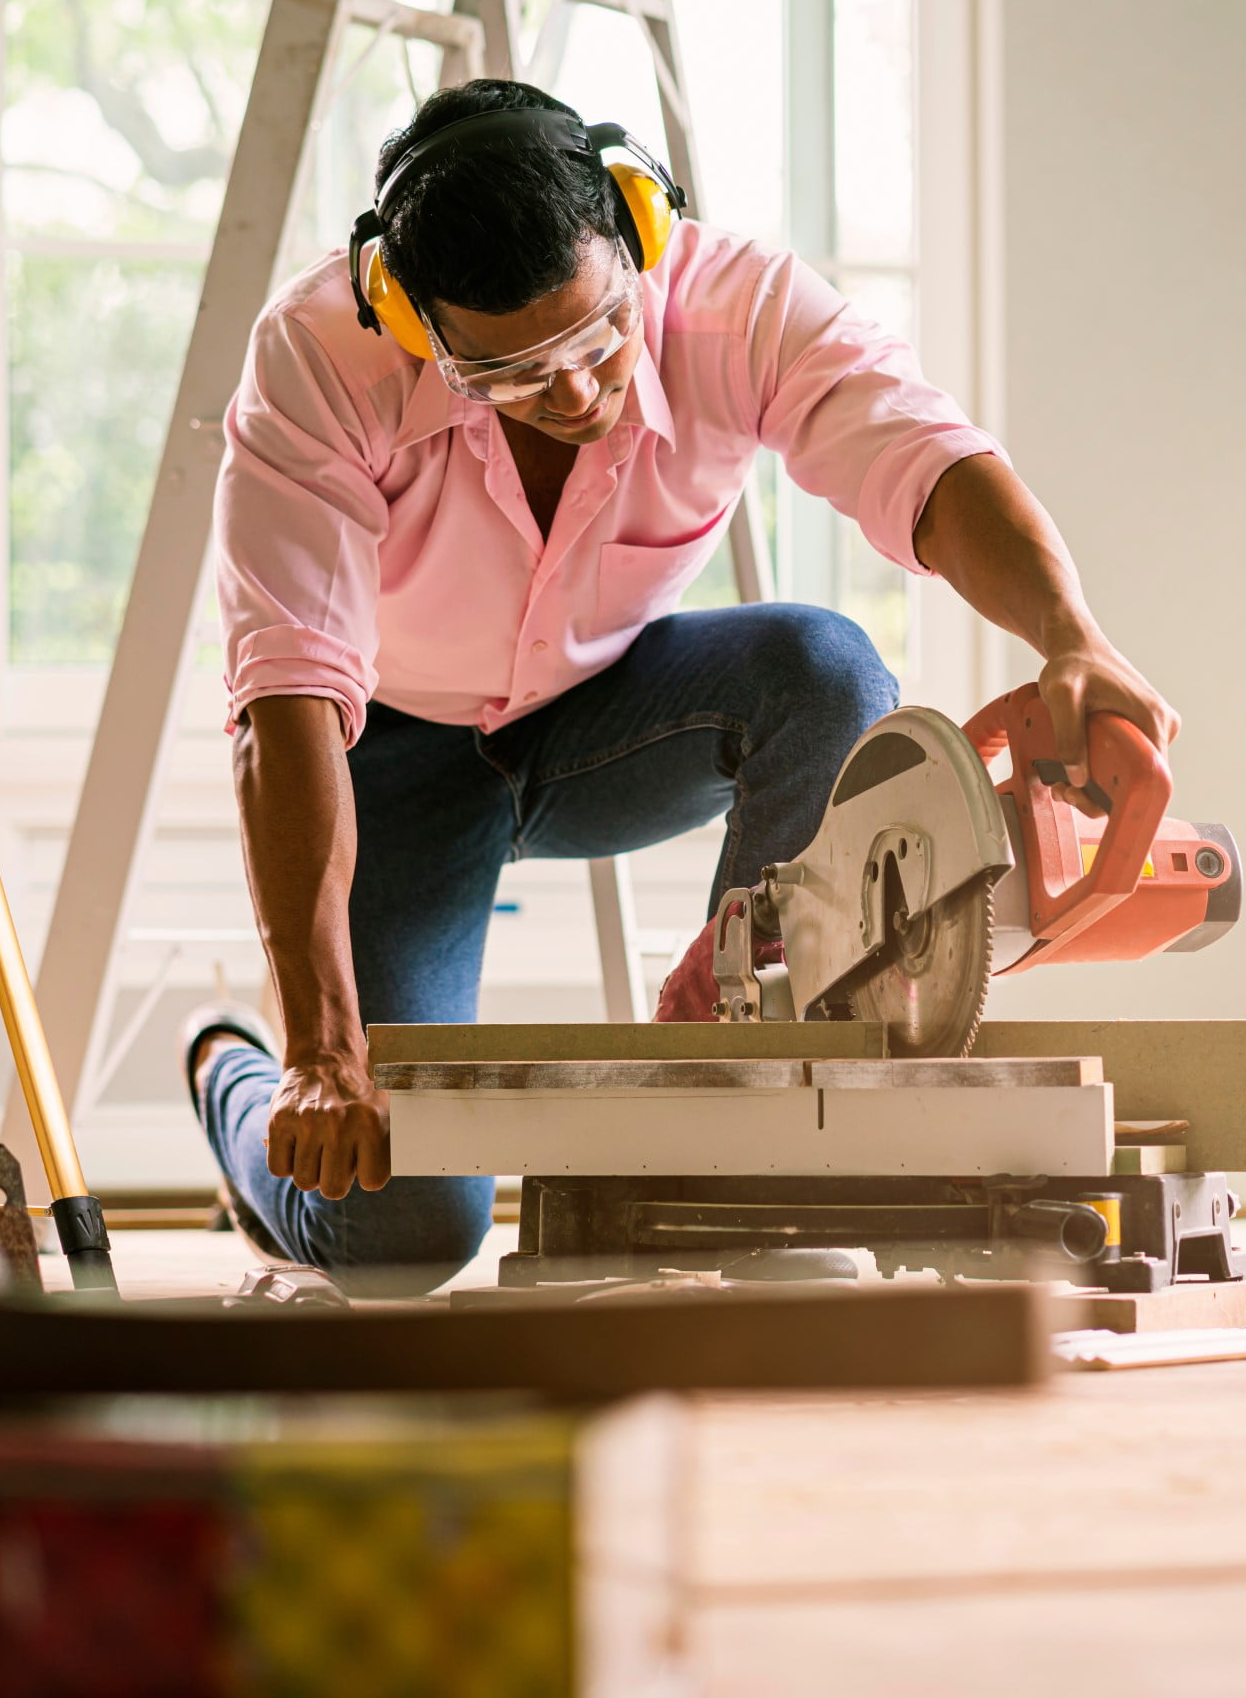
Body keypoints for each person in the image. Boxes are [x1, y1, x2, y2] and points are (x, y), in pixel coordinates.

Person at [186, 78, 1175, 1288]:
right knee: (401, 1232)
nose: (573, 392)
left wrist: (1071, 636)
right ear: (412, 317)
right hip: (387, 756)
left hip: (613, 717)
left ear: (639, 233)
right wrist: (318, 1049)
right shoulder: (318, 357)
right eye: (507, 372)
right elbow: (286, 698)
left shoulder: (734, 305)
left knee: (823, 666)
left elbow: (926, 459)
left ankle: (742, 1115)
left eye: (599, 336)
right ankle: (228, 1079)